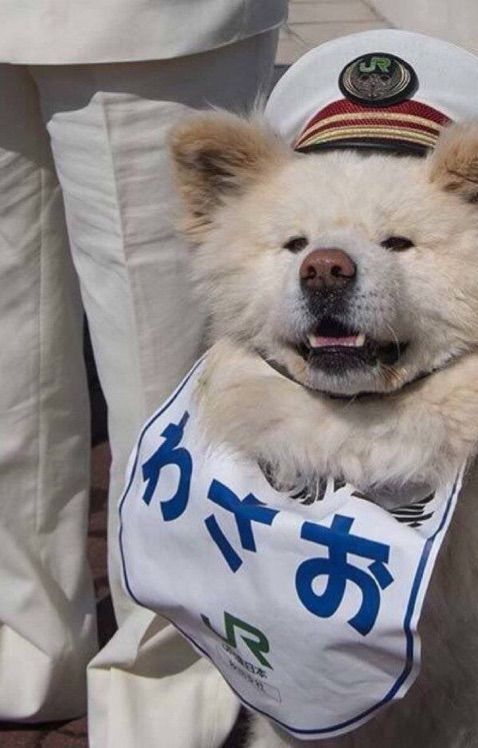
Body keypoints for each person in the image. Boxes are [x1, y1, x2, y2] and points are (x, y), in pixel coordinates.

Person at [0, 2, 285, 745]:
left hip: (144, 21)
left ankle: (168, 684)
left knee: (163, 382)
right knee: (9, 362)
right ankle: (23, 640)